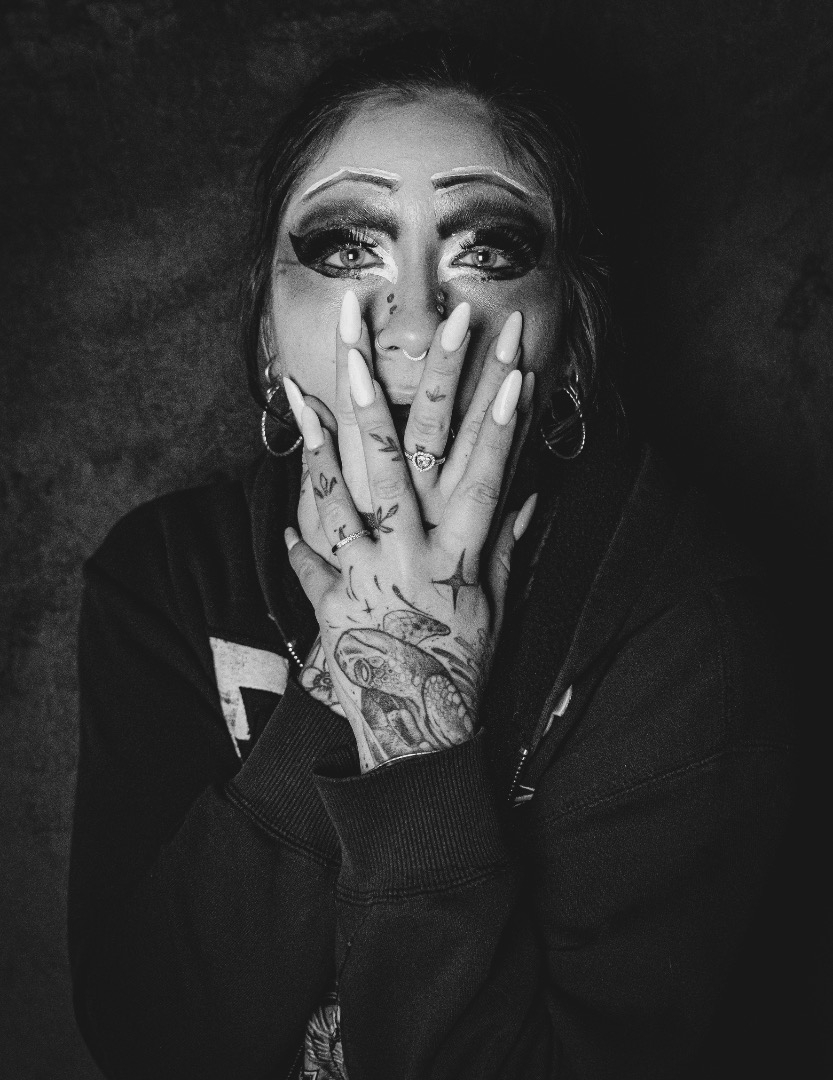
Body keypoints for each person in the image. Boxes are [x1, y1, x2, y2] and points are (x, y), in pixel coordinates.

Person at [68, 33, 795, 1080]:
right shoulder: (165, 573)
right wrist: (353, 671)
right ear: (267, 334)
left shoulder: (689, 628)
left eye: (486, 253)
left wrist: (415, 727)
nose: (411, 322)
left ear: (570, 340)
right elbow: (151, 1039)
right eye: (345, 250)